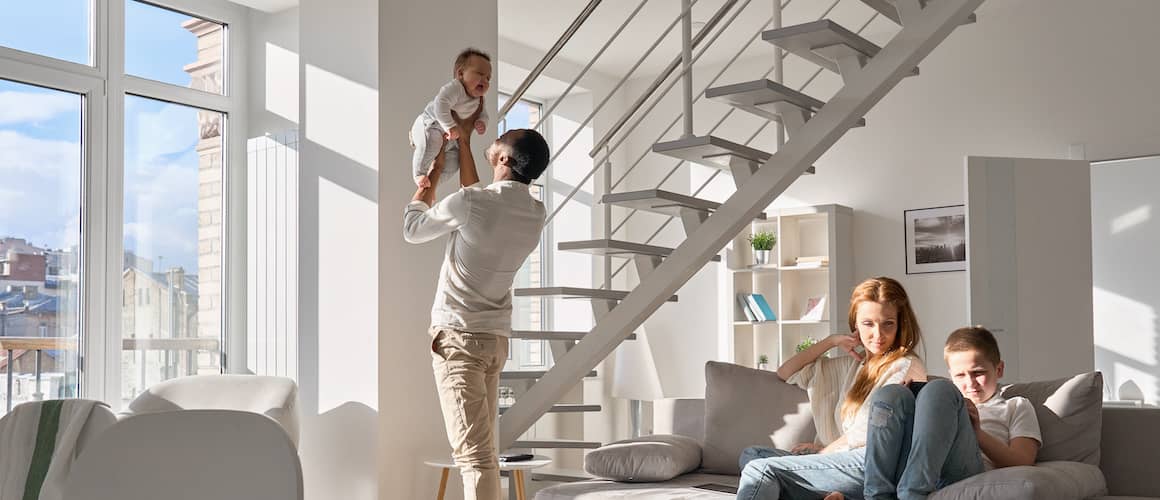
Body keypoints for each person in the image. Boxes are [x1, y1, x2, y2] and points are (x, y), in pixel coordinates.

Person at [402, 104, 550, 500]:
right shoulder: (535, 212)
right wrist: (463, 142)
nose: (495, 138)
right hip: (493, 342)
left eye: (500, 139)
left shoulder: (474, 204)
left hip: (459, 342)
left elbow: (413, 229)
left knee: (475, 457)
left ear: (503, 157)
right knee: (484, 453)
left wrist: (428, 180)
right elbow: (479, 197)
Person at [737, 276, 928, 500]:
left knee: (759, 469)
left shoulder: (906, 364)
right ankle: (832, 495)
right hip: (840, 459)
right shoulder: (854, 365)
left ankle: (833, 494)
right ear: (855, 324)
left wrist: (821, 453)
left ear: (900, 325)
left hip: (870, 464)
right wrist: (831, 341)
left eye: (888, 323)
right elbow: (785, 372)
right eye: (868, 323)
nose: (878, 334)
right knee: (753, 455)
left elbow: (871, 431)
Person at [860, 326, 1041, 500]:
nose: (970, 383)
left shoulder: (1016, 405)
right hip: (923, 461)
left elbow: (1023, 460)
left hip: (965, 469)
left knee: (940, 389)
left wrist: (977, 433)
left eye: (978, 373)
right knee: (891, 394)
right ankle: (876, 495)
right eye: (960, 376)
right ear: (951, 375)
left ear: (999, 369)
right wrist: (908, 402)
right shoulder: (943, 400)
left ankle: (912, 493)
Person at [410, 47, 492, 189]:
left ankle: (433, 183)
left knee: (455, 163)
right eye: (480, 74)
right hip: (431, 124)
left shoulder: (479, 100)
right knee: (432, 143)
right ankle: (419, 174)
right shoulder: (456, 88)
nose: (484, 80)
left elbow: (484, 114)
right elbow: (440, 105)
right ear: (461, 74)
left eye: (488, 78)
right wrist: (449, 126)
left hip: (452, 138)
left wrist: (482, 122)